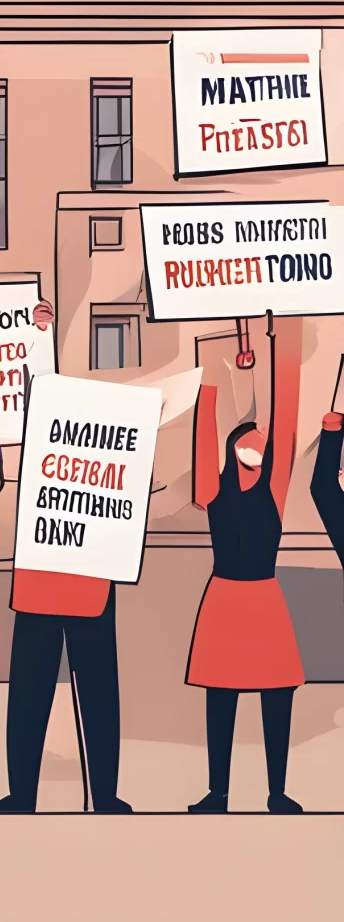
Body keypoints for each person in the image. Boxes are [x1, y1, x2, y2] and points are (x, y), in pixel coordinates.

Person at [0, 302, 130, 815]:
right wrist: (40, 337)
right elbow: (40, 395)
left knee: (94, 699)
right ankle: (27, 795)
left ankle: (101, 796)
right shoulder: (45, 442)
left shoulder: (107, 461)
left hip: (82, 589)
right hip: (49, 588)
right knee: (32, 699)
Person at [188, 314, 304, 814]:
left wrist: (287, 333)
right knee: (222, 700)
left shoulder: (275, 487)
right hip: (226, 600)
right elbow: (203, 427)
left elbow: (288, 411)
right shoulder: (211, 488)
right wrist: (209, 361)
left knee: (277, 697)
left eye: (263, 436)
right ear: (235, 444)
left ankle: (277, 792)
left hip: (262, 599)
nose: (259, 437)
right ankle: (219, 793)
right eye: (249, 435)